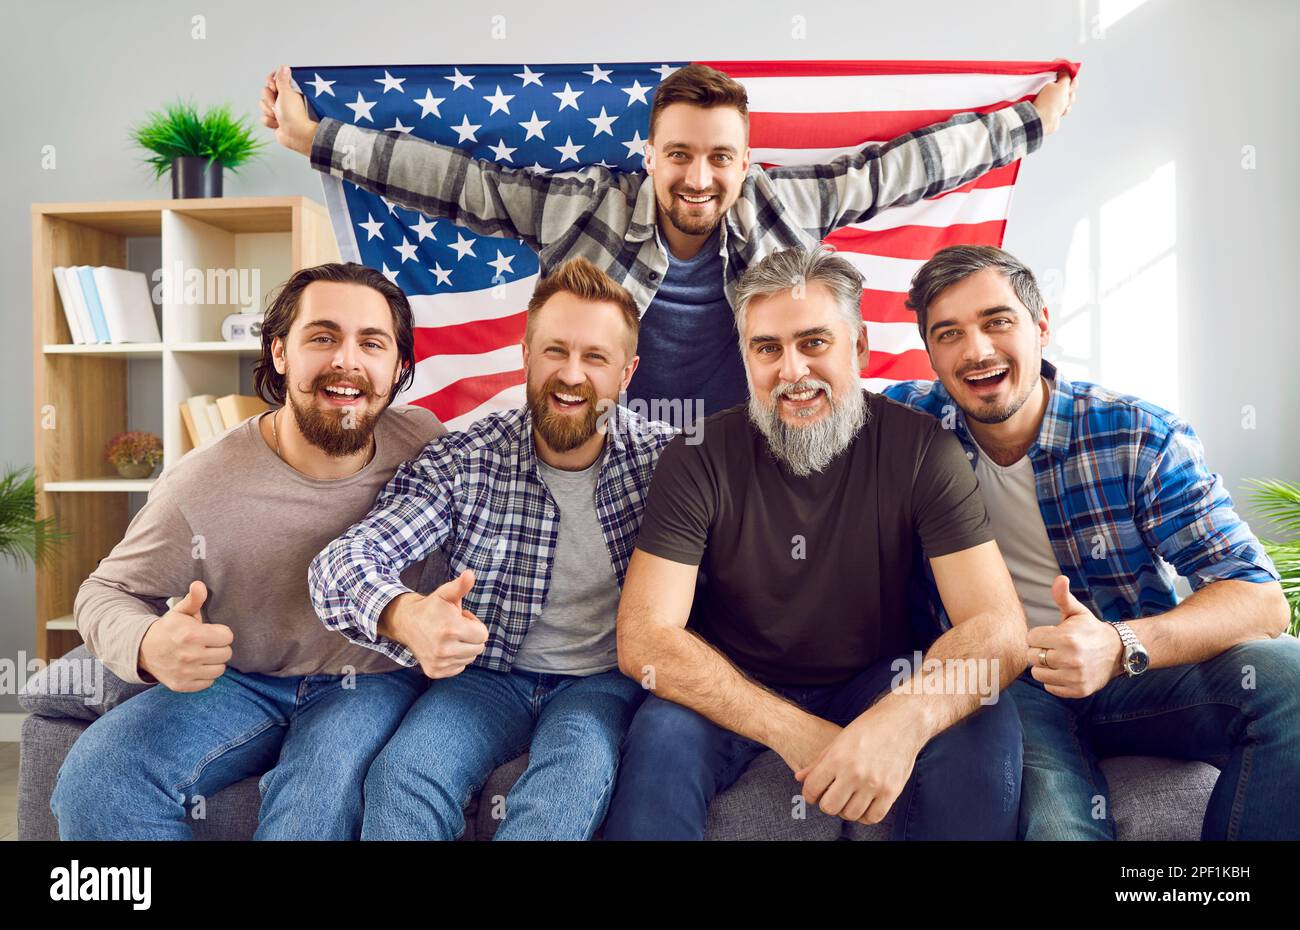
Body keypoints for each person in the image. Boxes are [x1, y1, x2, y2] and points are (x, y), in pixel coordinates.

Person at [260, 61, 1075, 424]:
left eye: (720, 158)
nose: (697, 178)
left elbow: (904, 171)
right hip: (611, 450)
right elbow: (457, 181)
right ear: (650, 155)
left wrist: (1026, 123)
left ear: (744, 163)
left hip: (744, 453)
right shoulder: (582, 207)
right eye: (678, 155)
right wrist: (317, 138)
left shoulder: (790, 204)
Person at [603, 244, 1030, 840]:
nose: (792, 371)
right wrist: (795, 730)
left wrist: (904, 719)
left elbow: (998, 627)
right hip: (733, 679)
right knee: (661, 735)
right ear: (745, 357)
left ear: (858, 347)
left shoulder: (922, 448)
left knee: (983, 713)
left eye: (814, 343)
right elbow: (645, 638)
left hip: (880, 678)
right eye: (767, 348)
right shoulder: (697, 454)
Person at [883, 244, 1299, 840]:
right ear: (929, 354)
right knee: (1060, 825)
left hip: (1133, 673)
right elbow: (808, 404)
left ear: (1041, 326)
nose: (976, 351)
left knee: (1289, 679)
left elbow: (1260, 599)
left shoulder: (1136, 435)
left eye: (997, 321)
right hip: (1009, 686)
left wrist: (1117, 643)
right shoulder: (907, 429)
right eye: (948, 334)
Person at [51, 262, 447, 839]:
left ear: (399, 367)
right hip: (240, 680)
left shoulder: (424, 445)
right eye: (322, 337)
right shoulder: (201, 485)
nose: (346, 361)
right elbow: (105, 591)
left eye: (371, 343)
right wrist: (146, 640)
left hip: (371, 678)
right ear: (281, 352)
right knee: (98, 780)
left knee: (315, 806)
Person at [309, 257, 677, 840]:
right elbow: (340, 563)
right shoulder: (465, 457)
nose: (572, 375)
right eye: (555, 351)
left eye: (596, 357)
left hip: (605, 680)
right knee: (404, 776)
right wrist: (403, 613)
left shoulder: (666, 463)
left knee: (571, 781)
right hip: (488, 676)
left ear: (627, 372)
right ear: (526, 356)